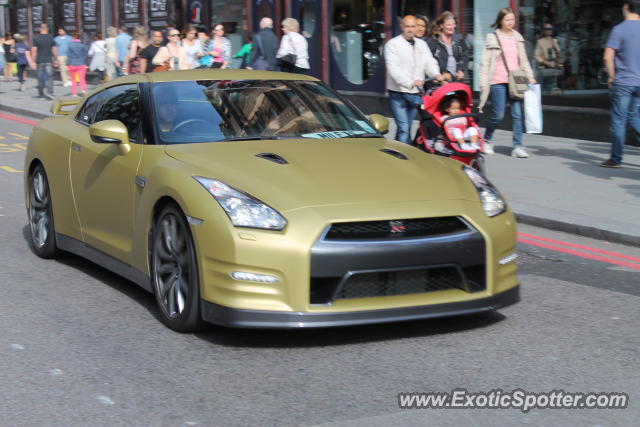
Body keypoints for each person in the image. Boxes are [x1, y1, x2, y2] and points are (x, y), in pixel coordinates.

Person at [478, 8, 536, 158]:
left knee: (517, 114)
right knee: (498, 115)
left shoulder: (518, 37)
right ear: (500, 21)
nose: (511, 22)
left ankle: (517, 146)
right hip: (497, 80)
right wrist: (484, 82)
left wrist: (530, 76)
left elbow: (523, 59)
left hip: (517, 79)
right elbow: (485, 62)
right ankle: (486, 140)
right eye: (507, 20)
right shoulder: (492, 37)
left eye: (512, 19)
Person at [384, 15, 443, 144]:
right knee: (404, 129)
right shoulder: (392, 45)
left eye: (413, 26)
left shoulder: (422, 44)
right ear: (402, 27)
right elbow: (393, 69)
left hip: (414, 93)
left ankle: (395, 151)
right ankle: (405, 160)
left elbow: (429, 62)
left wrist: (436, 74)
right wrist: (410, 82)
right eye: (407, 26)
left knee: (406, 128)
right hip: (398, 93)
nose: (410, 29)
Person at [600, 0, 640, 168]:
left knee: (619, 120)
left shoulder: (619, 29)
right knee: (634, 117)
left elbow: (607, 56)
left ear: (626, 7)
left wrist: (611, 76)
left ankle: (615, 159)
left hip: (623, 81)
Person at [427, 11, 469, 82]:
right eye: (449, 25)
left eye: (454, 24)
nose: (452, 27)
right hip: (439, 82)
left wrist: (461, 69)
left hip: (455, 81)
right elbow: (428, 61)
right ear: (441, 25)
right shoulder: (433, 41)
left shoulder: (459, 39)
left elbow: (464, 55)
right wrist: (436, 75)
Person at [31, 23, 57, 100]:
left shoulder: (36, 38)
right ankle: (50, 93)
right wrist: (56, 59)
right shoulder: (51, 38)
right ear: (47, 29)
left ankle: (41, 94)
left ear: (40, 29)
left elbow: (34, 51)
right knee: (50, 77)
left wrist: (33, 61)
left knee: (40, 78)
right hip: (49, 60)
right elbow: (54, 49)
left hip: (39, 61)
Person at [534, 24, 562, 93]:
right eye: (547, 29)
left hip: (553, 68)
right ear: (544, 30)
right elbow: (536, 55)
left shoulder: (554, 41)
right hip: (544, 68)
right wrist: (545, 62)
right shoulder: (540, 41)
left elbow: (559, 53)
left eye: (550, 29)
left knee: (551, 87)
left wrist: (555, 45)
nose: (549, 30)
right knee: (543, 87)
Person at [67, 32, 88, 97]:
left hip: (72, 64)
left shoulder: (70, 46)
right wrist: (86, 64)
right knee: (82, 78)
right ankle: (83, 90)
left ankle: (74, 93)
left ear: (73, 38)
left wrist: (68, 64)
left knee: (73, 79)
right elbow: (85, 55)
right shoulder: (83, 45)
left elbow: (69, 55)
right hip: (81, 63)